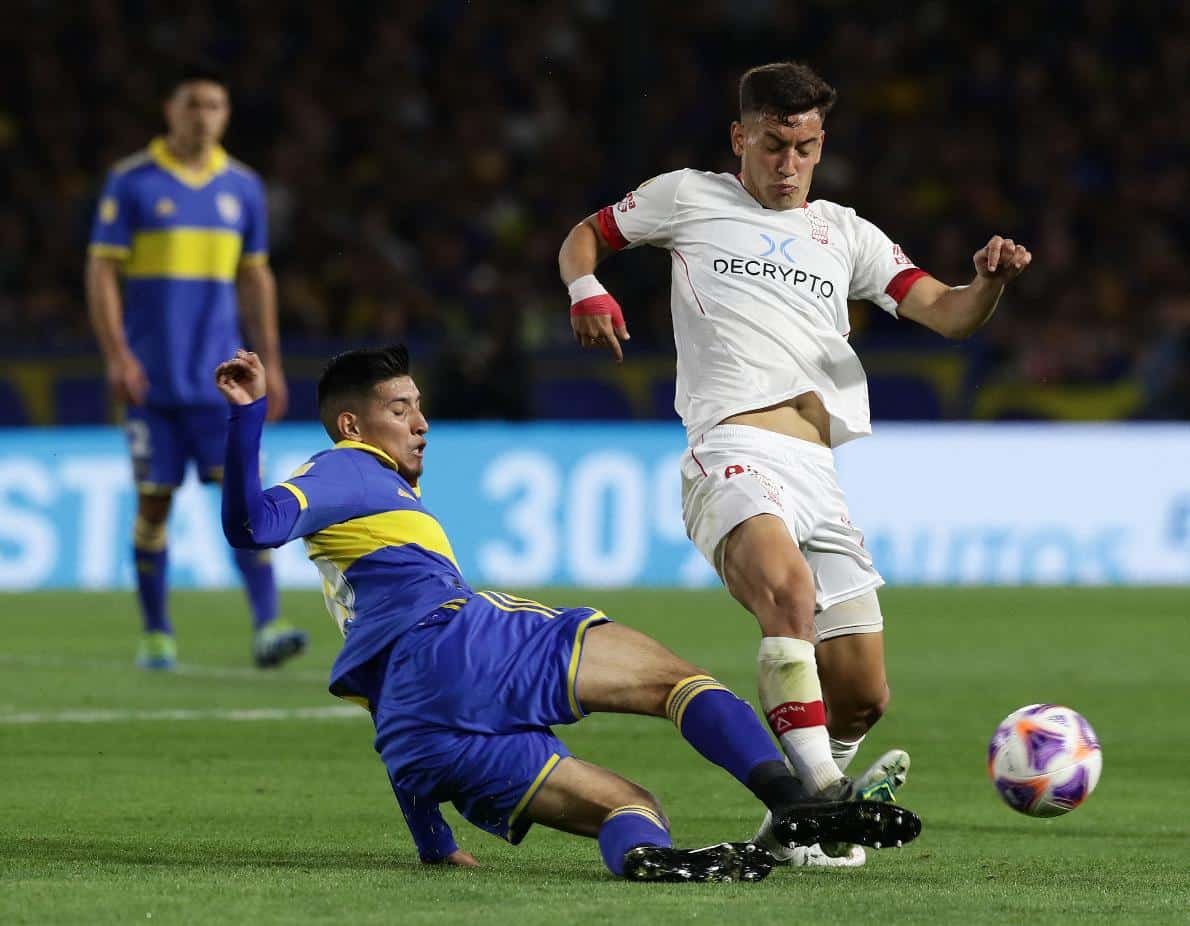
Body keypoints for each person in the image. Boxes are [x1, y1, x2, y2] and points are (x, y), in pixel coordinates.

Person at [558, 60, 1032, 865]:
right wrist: (585, 289)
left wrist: (987, 285)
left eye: (806, 148)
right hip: (733, 449)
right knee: (790, 595)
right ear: (741, 137)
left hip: (820, 471)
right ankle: (824, 798)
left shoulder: (845, 233)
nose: (789, 166)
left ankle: (795, 832)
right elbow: (585, 237)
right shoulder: (688, 196)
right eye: (775, 145)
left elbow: (947, 314)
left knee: (861, 693)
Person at [214, 345, 921, 881]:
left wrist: (435, 844)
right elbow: (254, 526)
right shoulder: (347, 465)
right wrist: (247, 418)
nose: (420, 423)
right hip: (460, 640)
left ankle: (649, 861)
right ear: (351, 423)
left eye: (419, 406)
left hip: (416, 731)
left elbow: (385, 707)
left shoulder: (356, 577)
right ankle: (801, 799)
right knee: (681, 685)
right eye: (399, 410)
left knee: (632, 809)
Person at [85, 63, 305, 671]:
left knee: (242, 499)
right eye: (192, 104)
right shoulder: (131, 182)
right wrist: (117, 354)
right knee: (154, 504)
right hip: (151, 381)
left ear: (226, 115)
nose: (203, 115)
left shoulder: (243, 187)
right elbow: (102, 269)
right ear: (170, 110)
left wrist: (274, 363)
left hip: (222, 381)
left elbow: (255, 275)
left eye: (214, 105)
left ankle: (269, 625)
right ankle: (156, 632)